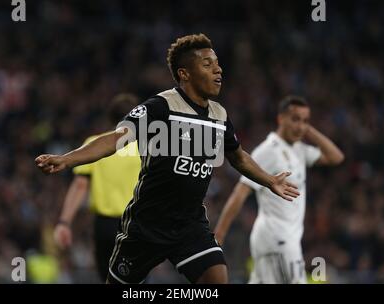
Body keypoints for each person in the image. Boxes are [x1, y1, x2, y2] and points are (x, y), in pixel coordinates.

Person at [35, 33, 299, 284]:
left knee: (216, 277)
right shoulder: (161, 106)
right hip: (147, 225)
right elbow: (116, 138)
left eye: (218, 64)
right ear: (184, 74)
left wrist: (269, 180)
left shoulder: (219, 115)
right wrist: (67, 159)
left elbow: (238, 157)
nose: (218, 70)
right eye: (207, 64)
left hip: (190, 224)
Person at [214, 95, 344, 284]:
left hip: (278, 240)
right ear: (281, 119)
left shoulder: (298, 149)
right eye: (295, 119)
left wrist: (309, 130)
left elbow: (336, 157)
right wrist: (219, 234)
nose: (300, 126)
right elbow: (240, 192)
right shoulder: (269, 150)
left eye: (305, 121)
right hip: (278, 239)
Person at [53, 93, 141, 281]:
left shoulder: (94, 144)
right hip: (137, 224)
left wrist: (64, 222)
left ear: (110, 118)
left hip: (105, 227)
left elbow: (79, 186)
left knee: (107, 278)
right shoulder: (146, 146)